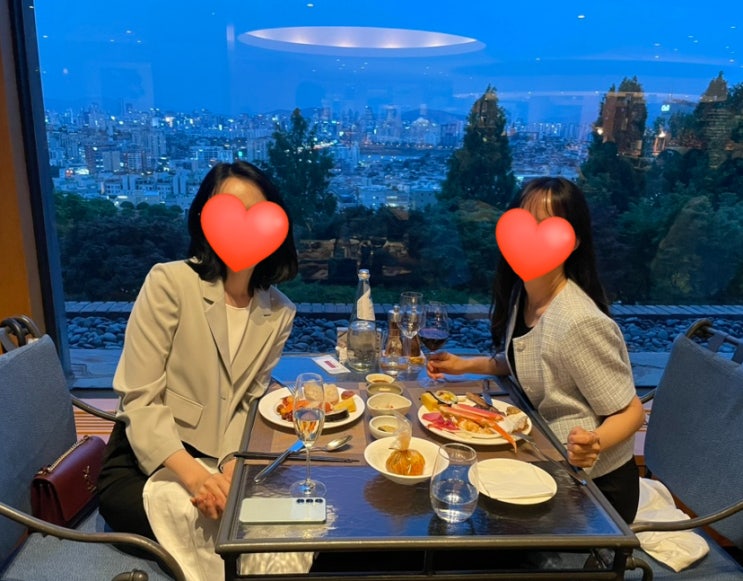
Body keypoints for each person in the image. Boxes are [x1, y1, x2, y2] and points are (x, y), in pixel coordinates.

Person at [98, 161, 312, 579]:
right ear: (204, 218)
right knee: (237, 528)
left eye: (255, 213)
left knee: (293, 519)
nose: (243, 226)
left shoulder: (279, 311)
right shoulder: (169, 283)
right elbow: (139, 397)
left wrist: (231, 468)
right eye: (230, 212)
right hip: (145, 465)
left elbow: (249, 401)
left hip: (221, 462)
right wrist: (198, 479)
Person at [427, 176, 645, 524]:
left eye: (545, 227)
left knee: (464, 511)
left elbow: (632, 412)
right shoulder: (524, 293)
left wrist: (594, 441)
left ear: (573, 241)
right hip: (544, 453)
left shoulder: (578, 321)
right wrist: (463, 364)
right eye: (523, 224)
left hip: (593, 492)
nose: (529, 239)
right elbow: (527, 361)